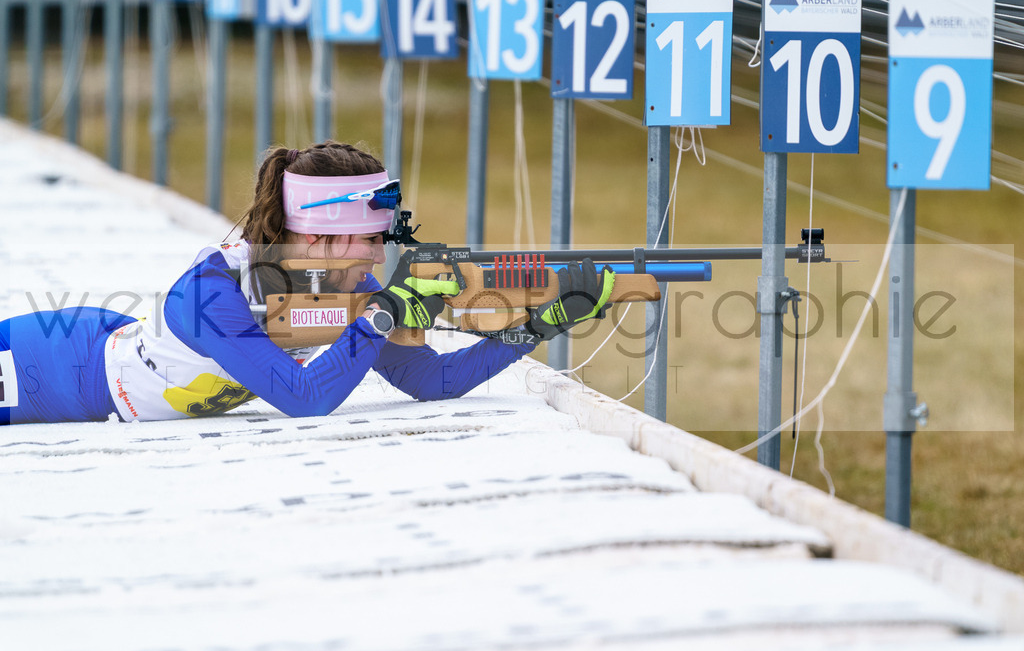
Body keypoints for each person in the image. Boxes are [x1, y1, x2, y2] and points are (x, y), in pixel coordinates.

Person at [1, 141, 614, 425]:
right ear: (321, 239)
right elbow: (303, 398)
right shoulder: (212, 291)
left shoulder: (339, 293)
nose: (379, 258)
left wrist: (539, 325)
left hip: (96, 368)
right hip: (53, 367)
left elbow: (434, 381)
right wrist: (380, 317)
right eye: (371, 241)